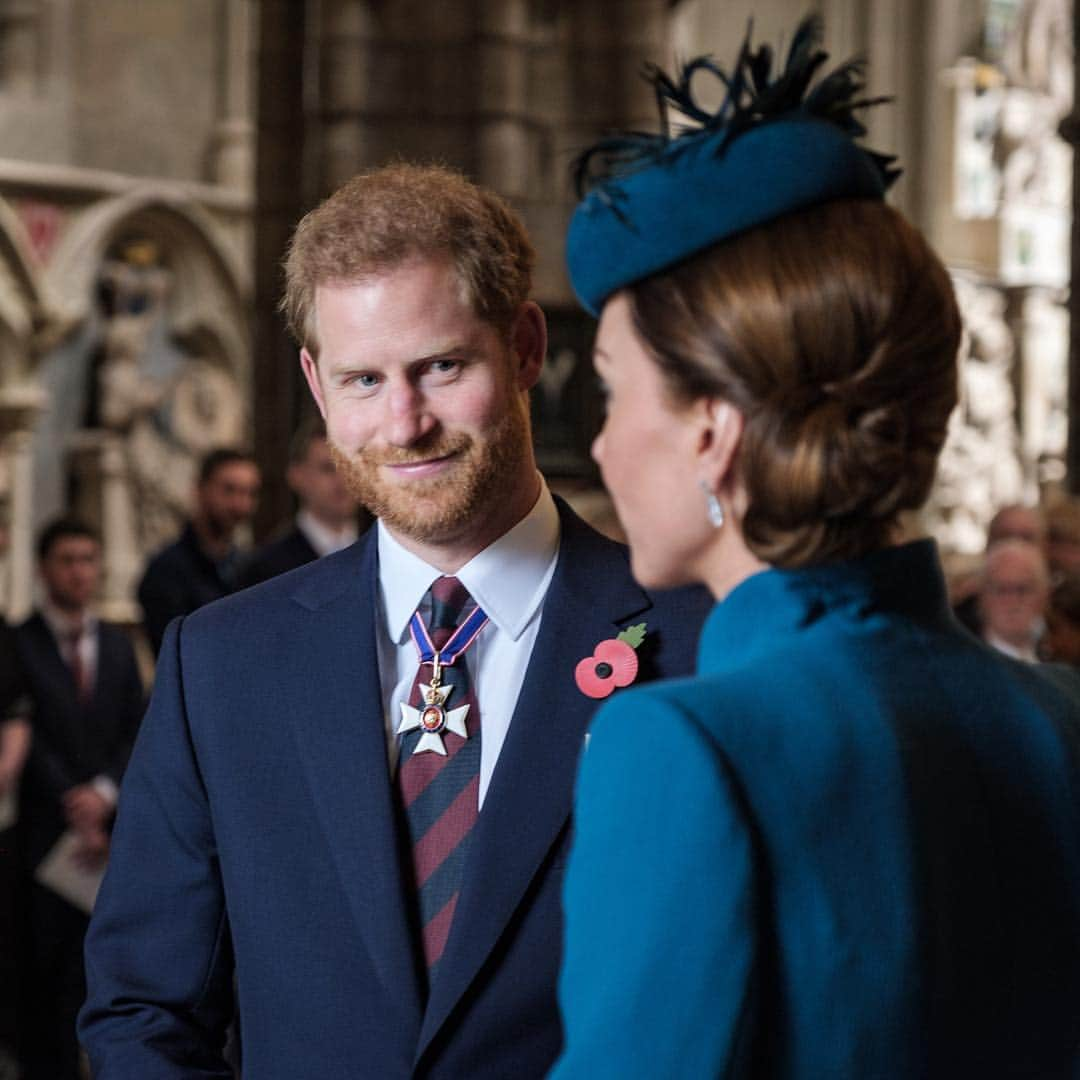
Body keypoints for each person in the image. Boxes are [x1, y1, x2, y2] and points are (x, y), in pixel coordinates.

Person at [79, 163, 710, 1078]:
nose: (404, 423)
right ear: (317, 384)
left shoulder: (697, 645)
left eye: (442, 367)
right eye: (363, 380)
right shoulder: (220, 664)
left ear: (526, 347)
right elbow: (142, 1008)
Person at [551, 19, 1080, 1079]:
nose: (600, 441)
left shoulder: (680, 749)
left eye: (611, 390)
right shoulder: (1056, 714)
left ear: (714, 428)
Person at [14, 518, 144, 1079]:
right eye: (67, 559)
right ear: (44, 569)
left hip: (105, 834)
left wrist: (102, 793)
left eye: (88, 559)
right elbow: (26, 734)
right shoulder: (17, 643)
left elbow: (134, 729)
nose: (79, 571)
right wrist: (73, 799)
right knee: (40, 978)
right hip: (40, 837)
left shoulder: (116, 646)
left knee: (96, 971)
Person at [137, 446, 261, 654]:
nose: (240, 505)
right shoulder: (166, 571)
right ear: (200, 489)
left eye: (249, 493)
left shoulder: (250, 567)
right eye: (229, 490)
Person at [238, 418, 363, 588]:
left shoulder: (382, 553)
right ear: (296, 476)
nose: (343, 480)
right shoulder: (268, 568)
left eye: (350, 468)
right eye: (328, 468)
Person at [953, 503, 1046, 634]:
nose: (1015, 545)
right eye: (1006, 536)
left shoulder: (1066, 614)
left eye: (1026, 538)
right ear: (988, 544)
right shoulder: (959, 620)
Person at [976, 538, 1050, 661]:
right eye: (1001, 590)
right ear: (982, 595)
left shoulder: (1064, 657)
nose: (1012, 601)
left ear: (1044, 595)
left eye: (1022, 589)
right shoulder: (960, 665)